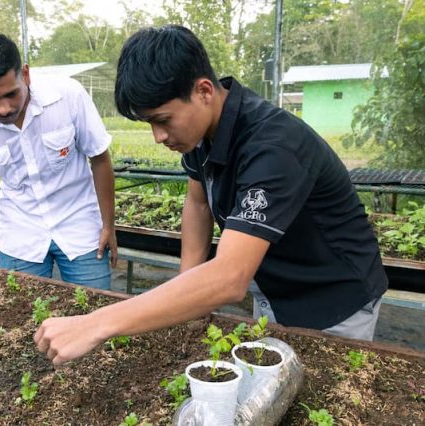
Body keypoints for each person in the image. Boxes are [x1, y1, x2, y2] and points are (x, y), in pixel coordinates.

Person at [34, 25, 388, 365]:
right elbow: (198, 202)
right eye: (149, 124)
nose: (158, 136)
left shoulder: (272, 147)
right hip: (276, 285)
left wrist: (96, 324)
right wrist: (190, 287)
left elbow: (231, 278)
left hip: (334, 298)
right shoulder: (203, 133)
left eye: (163, 119)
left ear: (204, 91)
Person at [0, 33, 118, 290]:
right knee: (22, 314)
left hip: (80, 225)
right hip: (20, 231)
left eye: (11, 94)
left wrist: (108, 224)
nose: (4, 108)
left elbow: (99, 157)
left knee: (95, 309)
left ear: (26, 75)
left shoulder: (67, 96)